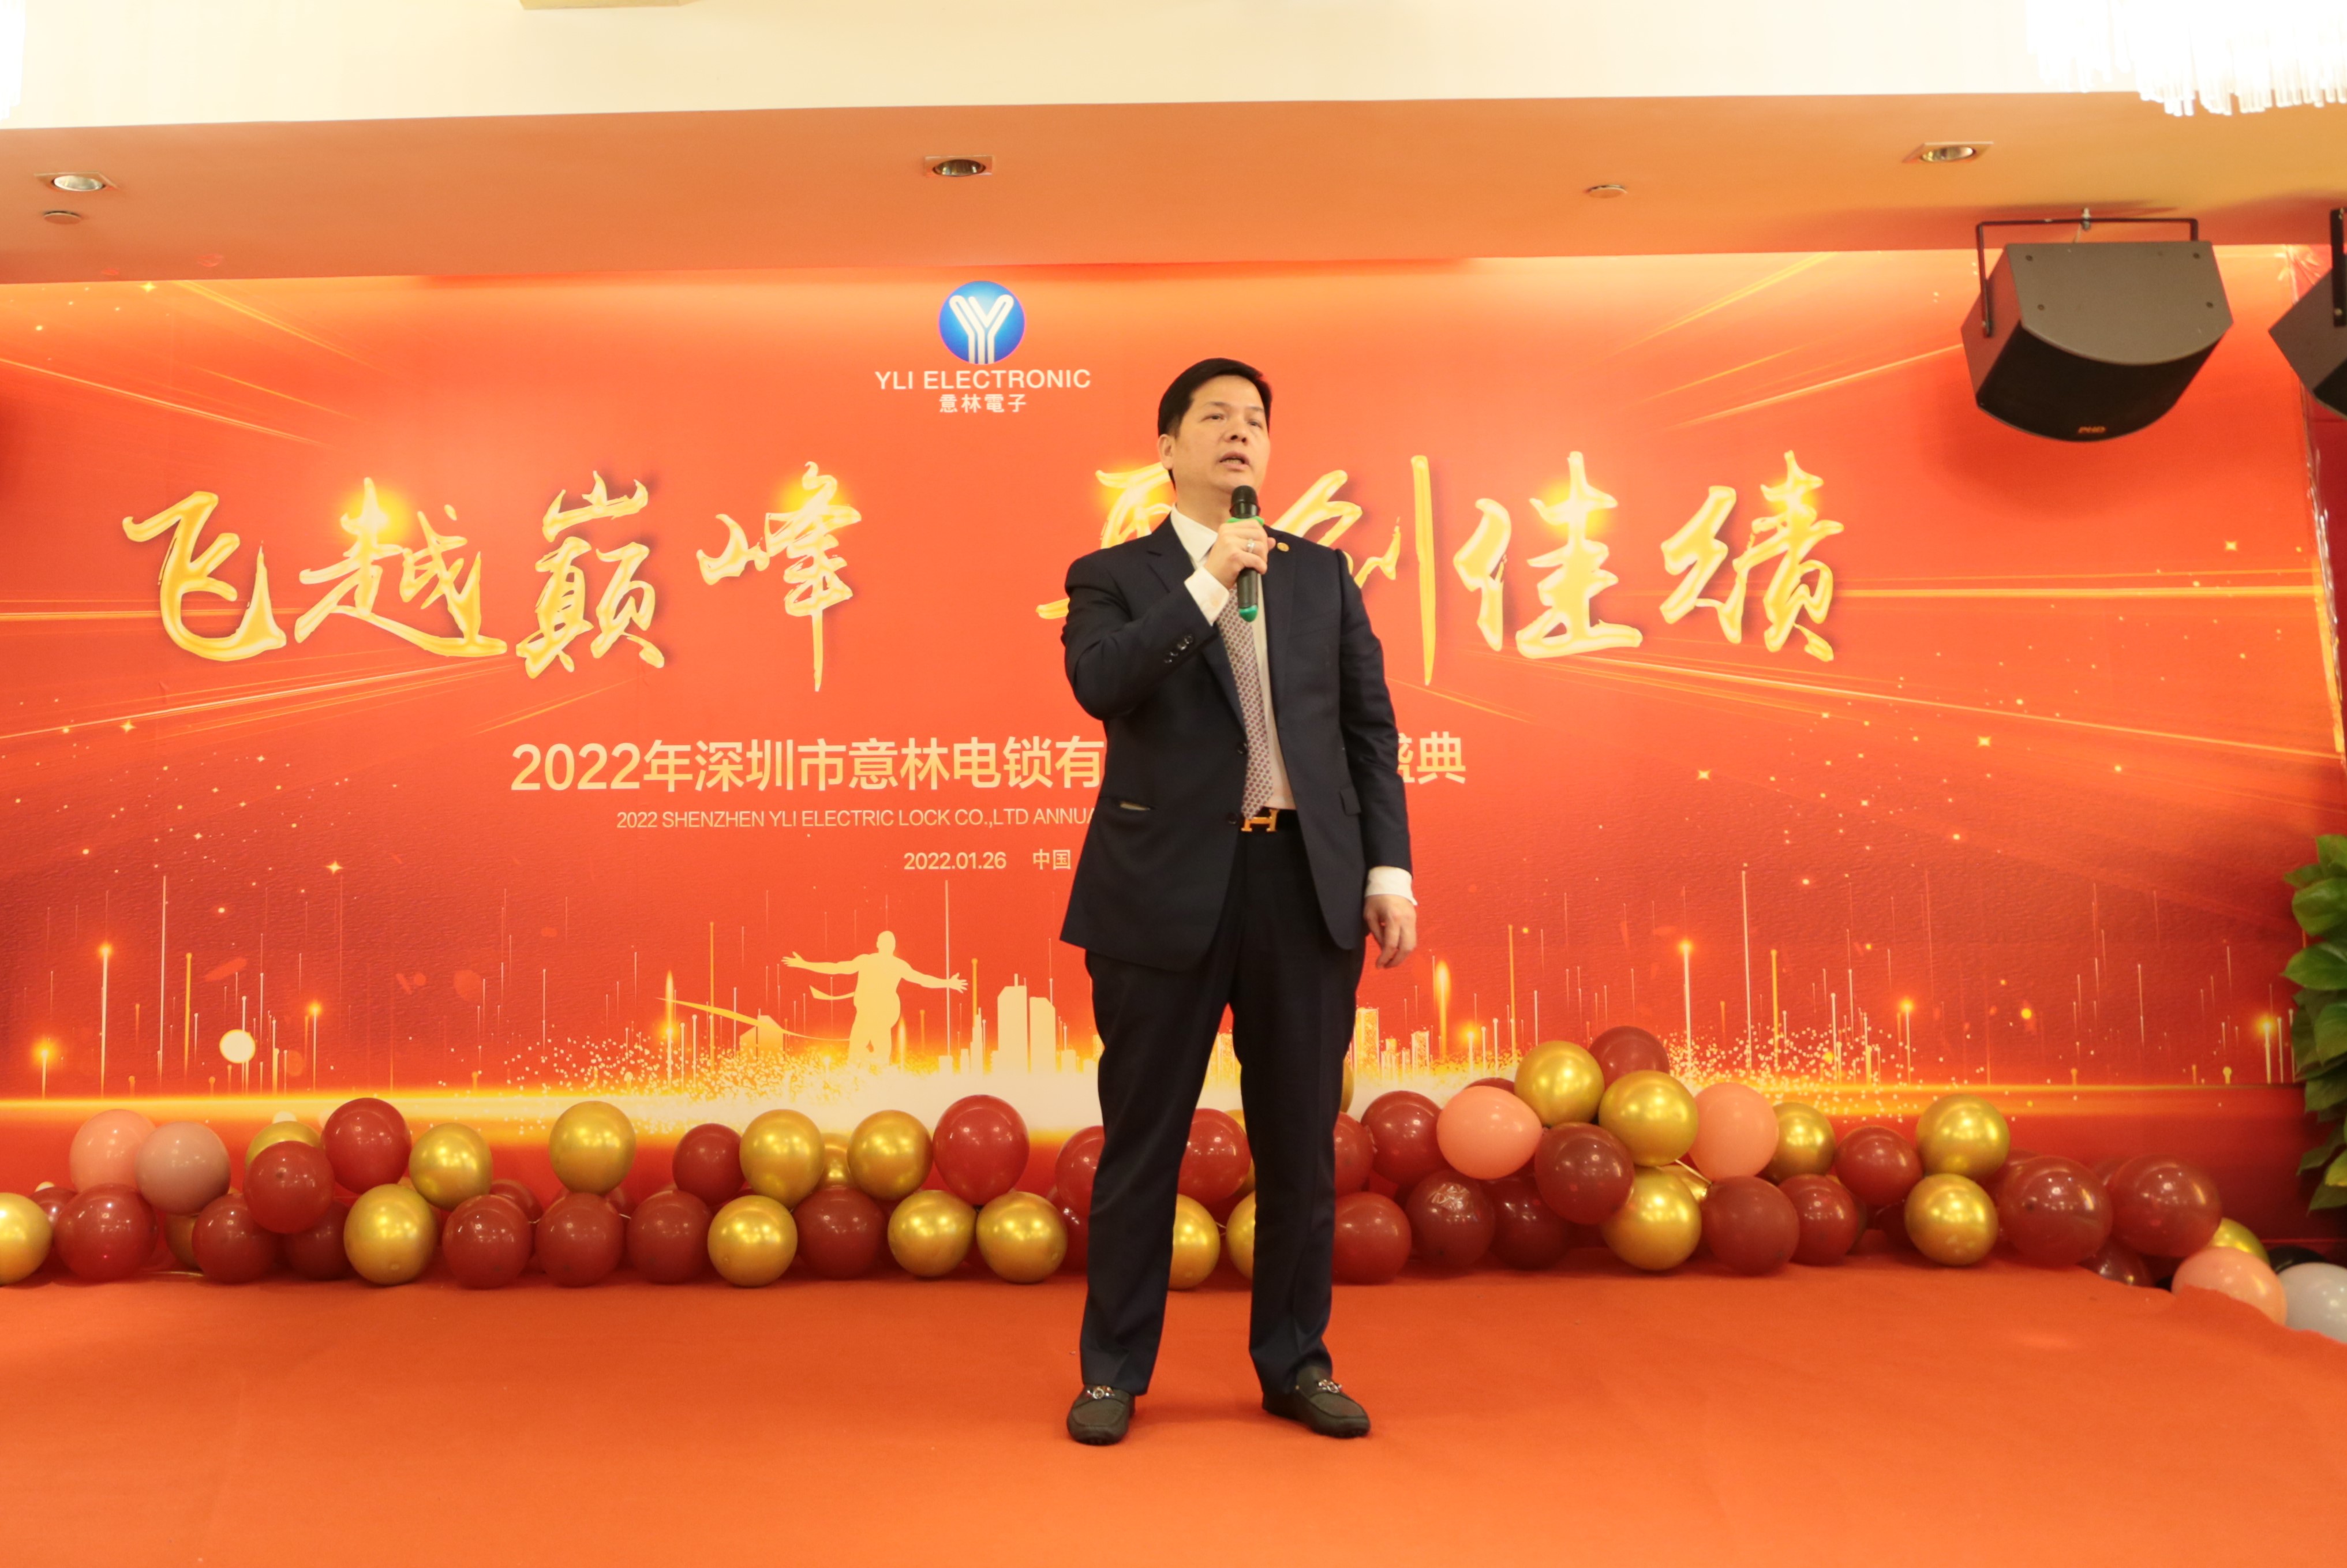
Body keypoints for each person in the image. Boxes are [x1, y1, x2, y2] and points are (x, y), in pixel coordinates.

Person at [1057, 357, 1417, 1445]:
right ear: (1167, 448)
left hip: (1302, 884)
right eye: (1213, 416)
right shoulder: (1113, 574)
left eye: (1254, 418)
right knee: (1143, 1143)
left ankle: (1296, 1362)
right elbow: (1102, 682)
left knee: (1300, 1145)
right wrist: (1210, 580)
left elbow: (1367, 732)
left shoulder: (1321, 575)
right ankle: (1113, 1372)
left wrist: (1387, 871)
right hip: (1162, 893)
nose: (1238, 431)